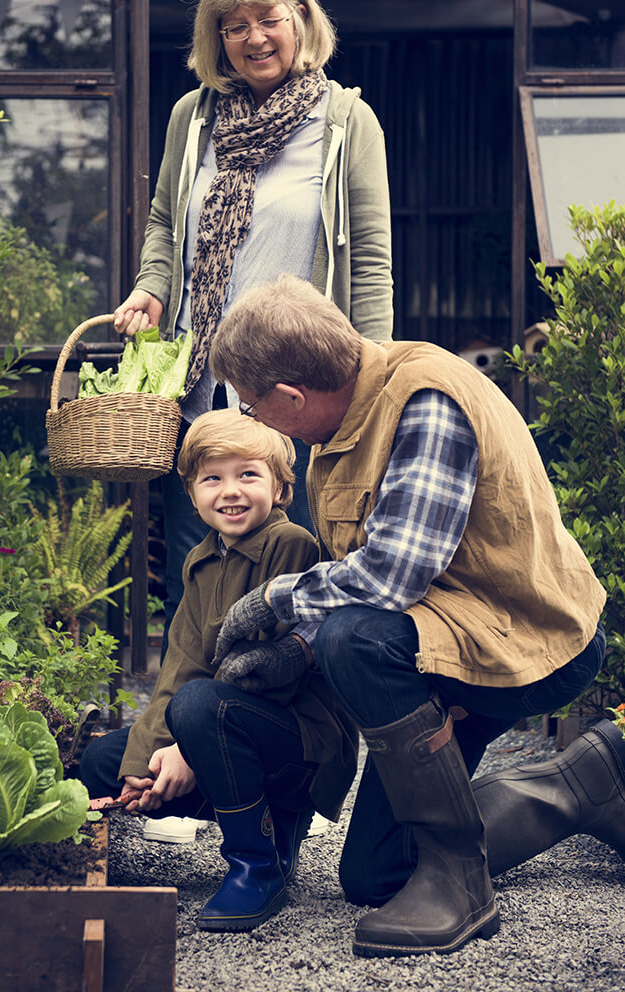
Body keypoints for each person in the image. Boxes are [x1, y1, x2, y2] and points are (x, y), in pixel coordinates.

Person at [207, 274, 620, 959]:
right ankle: (582, 784)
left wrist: (277, 602)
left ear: (289, 397)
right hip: (451, 638)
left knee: (354, 637)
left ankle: (460, 879)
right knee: (375, 875)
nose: (255, 419)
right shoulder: (342, 420)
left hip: (533, 644)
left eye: (252, 405)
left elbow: (388, 577)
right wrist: (301, 651)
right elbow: (375, 575)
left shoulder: (424, 402)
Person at [112, 0, 393, 656]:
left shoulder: (344, 123)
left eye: (267, 17)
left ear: (300, 18)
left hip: (300, 389)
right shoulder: (192, 117)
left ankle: (285, 724)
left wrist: (379, 378)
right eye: (233, 26)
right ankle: (188, 718)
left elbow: (370, 256)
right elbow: (164, 222)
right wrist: (151, 287)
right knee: (196, 561)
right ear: (216, 39)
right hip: (202, 387)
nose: (254, 38)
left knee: (297, 553)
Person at [79, 409, 359, 931]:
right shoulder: (200, 560)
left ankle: (257, 862)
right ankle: (266, 824)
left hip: (300, 741)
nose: (230, 491)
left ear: (280, 488)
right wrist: (147, 763)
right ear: (192, 494)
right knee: (104, 760)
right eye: (213, 478)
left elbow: (271, 673)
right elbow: (180, 666)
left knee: (199, 708)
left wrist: (187, 747)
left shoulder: (290, 544)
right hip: (221, 724)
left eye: (248, 474)